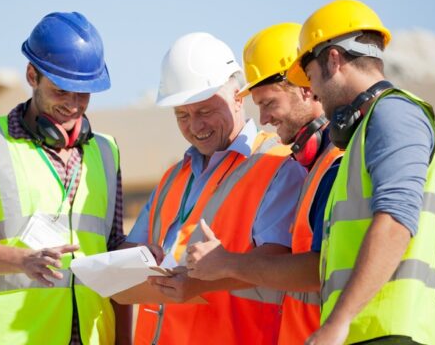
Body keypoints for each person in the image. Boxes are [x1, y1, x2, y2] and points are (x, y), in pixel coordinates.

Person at [0, 11, 130, 345]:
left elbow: (113, 248)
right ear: (32, 75)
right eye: (61, 92)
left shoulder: (106, 152)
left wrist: (149, 255)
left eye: (83, 95)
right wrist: (23, 260)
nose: (73, 106)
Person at [124, 32, 307, 344]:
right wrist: (136, 258)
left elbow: (277, 264)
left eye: (205, 111)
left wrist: (200, 283)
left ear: (238, 97)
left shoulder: (278, 166)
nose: (195, 126)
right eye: (182, 115)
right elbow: (133, 248)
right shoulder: (174, 177)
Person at [286, 0, 435, 345]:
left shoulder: (393, 114)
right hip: (370, 332)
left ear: (333, 60)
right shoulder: (364, 131)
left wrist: (338, 322)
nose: (312, 91)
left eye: (311, 76)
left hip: (389, 332)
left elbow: (395, 221)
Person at [185, 22, 343, 345]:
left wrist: (225, 263)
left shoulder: (335, 163)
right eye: (258, 106)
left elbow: (317, 270)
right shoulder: (312, 165)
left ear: (306, 88)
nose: (264, 119)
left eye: (269, 103)